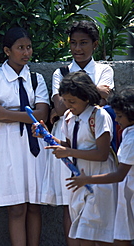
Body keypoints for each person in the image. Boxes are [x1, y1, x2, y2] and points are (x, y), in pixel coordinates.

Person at [44, 20, 114, 246]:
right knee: (73, 208)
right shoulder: (61, 74)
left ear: (94, 44)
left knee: (102, 226)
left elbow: (103, 99)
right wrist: (95, 90)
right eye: (73, 43)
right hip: (73, 161)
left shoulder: (104, 71)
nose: (77, 48)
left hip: (96, 171)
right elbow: (60, 107)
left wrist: (81, 91)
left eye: (83, 43)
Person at [0, 27, 50, 246]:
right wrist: (25, 114)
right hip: (6, 146)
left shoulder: (36, 79)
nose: (26, 52)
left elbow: (42, 114)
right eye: (20, 48)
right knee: (16, 206)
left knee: (34, 205)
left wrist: (7, 113)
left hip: (33, 146)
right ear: (7, 51)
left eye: (28, 47)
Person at [66, 87, 134, 246]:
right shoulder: (128, 132)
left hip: (127, 193)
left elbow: (119, 175)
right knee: (119, 236)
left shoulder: (131, 139)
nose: (116, 120)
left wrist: (87, 179)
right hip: (126, 195)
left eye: (120, 116)